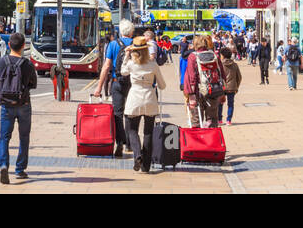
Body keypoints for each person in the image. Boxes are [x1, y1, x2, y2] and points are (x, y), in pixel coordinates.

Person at [121, 34, 173, 172]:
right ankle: (146, 166)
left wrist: (126, 56)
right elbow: (162, 85)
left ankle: (138, 155)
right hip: (150, 99)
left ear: (133, 51)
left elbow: (123, 71)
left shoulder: (131, 64)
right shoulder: (153, 64)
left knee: (132, 130)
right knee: (148, 133)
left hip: (134, 99)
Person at [0, 32, 38, 184]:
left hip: (6, 105)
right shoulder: (27, 64)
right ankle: (20, 169)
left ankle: (3, 165)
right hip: (24, 104)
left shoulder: (1, 62)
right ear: (23, 46)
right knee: (24, 137)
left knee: (4, 137)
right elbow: (33, 84)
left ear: (9, 45)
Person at [95, 20, 135, 159]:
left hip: (116, 82)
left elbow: (106, 66)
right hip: (133, 84)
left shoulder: (113, 44)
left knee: (117, 113)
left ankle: (120, 142)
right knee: (131, 114)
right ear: (131, 32)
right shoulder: (136, 45)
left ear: (121, 32)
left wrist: (99, 87)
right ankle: (131, 143)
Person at [184, 35, 224, 128]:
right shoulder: (214, 55)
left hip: (198, 92)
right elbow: (221, 73)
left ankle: (198, 141)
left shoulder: (193, 56)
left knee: (196, 120)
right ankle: (212, 140)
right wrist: (222, 93)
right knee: (212, 119)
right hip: (213, 90)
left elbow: (191, 76)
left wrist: (191, 94)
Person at [220, 46, 242, 124]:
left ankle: (219, 119)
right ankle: (229, 120)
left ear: (223, 55)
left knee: (220, 103)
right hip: (232, 87)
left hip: (222, 87)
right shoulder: (235, 65)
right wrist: (236, 86)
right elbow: (239, 77)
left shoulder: (220, 65)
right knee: (230, 104)